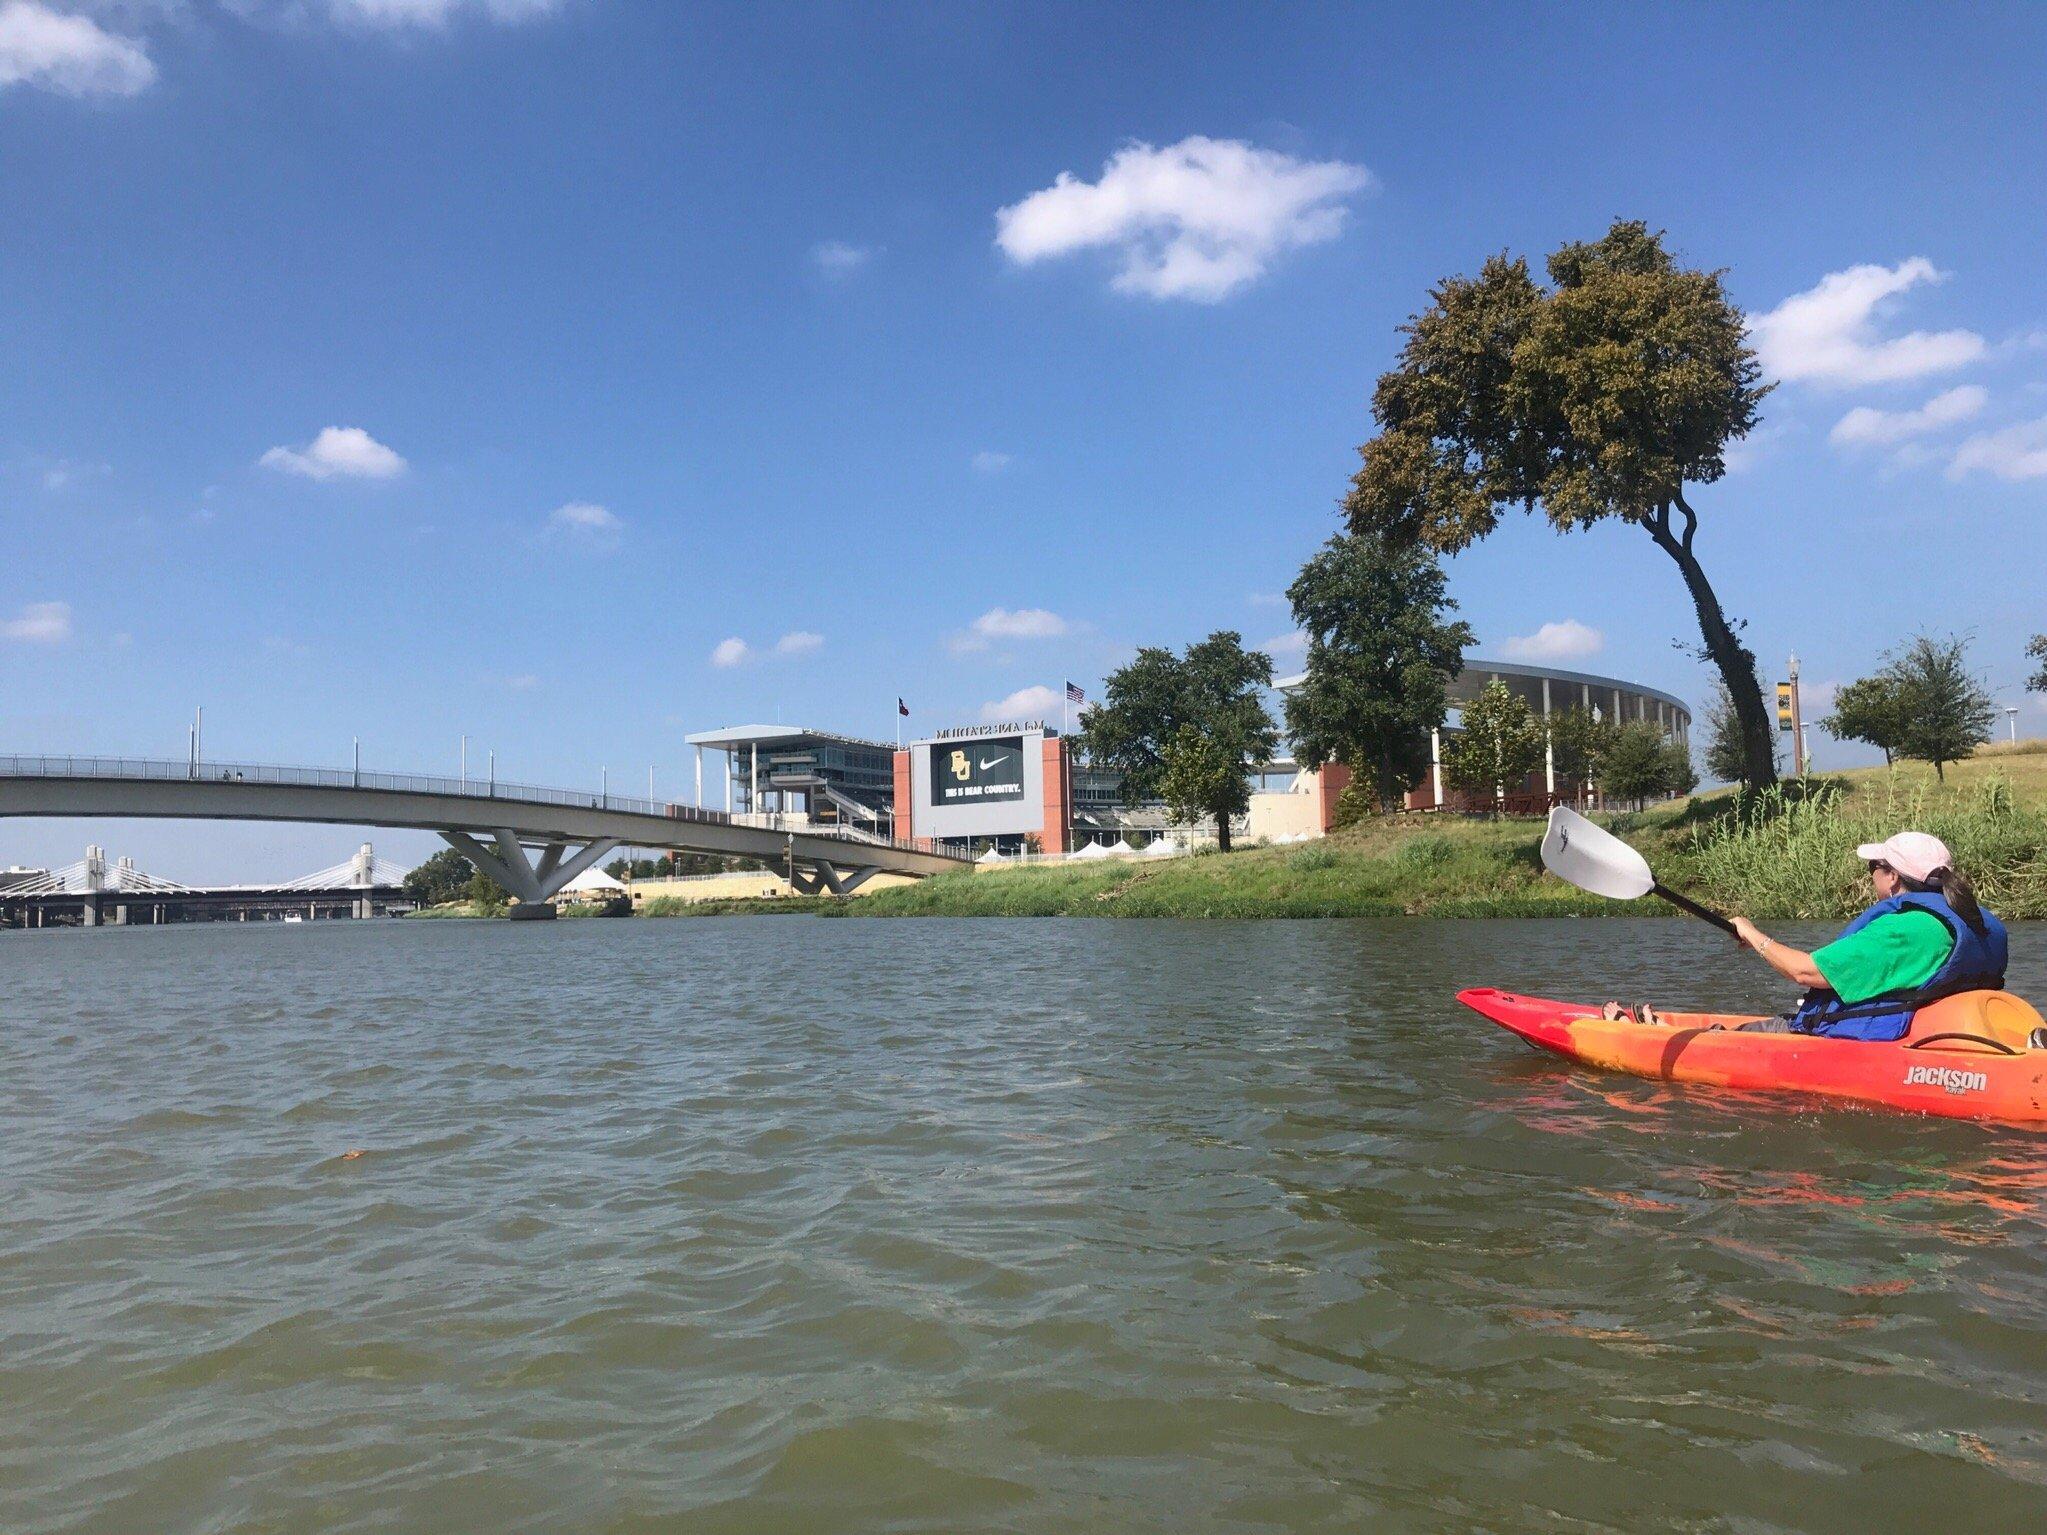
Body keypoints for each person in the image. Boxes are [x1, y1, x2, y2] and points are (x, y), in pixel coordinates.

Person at [1727, 831, 2007, 1038]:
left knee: (1722, 1035)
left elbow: (1805, 972)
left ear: (1893, 877)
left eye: (1873, 866)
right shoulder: (1971, 919)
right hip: (1939, 1033)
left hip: (1866, 1044)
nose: (1870, 875)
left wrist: (1751, 934)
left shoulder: (1904, 930)